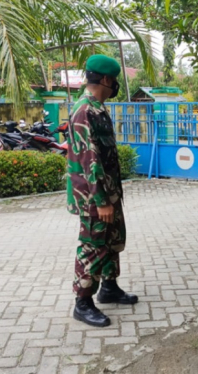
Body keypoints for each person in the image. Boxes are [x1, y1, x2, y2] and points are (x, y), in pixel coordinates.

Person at [67, 54, 138, 328]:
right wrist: (101, 201)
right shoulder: (85, 110)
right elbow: (90, 159)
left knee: (113, 239)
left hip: (108, 192)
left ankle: (109, 287)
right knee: (93, 245)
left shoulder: (98, 107)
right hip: (94, 196)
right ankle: (82, 302)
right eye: (115, 81)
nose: (115, 85)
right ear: (106, 79)